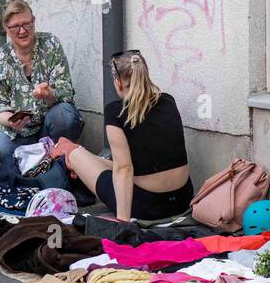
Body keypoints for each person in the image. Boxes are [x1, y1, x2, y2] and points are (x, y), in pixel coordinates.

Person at [61, 51, 193, 221]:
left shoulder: (116, 111)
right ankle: (84, 161)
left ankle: (74, 164)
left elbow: (124, 169)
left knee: (75, 154)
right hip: (182, 201)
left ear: (118, 82)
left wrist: (123, 221)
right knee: (101, 161)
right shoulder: (168, 101)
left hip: (145, 206)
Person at [0, 0, 83, 195]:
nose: (22, 31)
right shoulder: (1, 57)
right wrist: (11, 120)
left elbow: (66, 91)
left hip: (47, 126)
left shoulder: (50, 44)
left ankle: (62, 172)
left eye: (27, 24)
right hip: (17, 132)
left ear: (34, 20)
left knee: (65, 115)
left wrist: (49, 94)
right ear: (6, 28)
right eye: (15, 27)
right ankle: (20, 186)